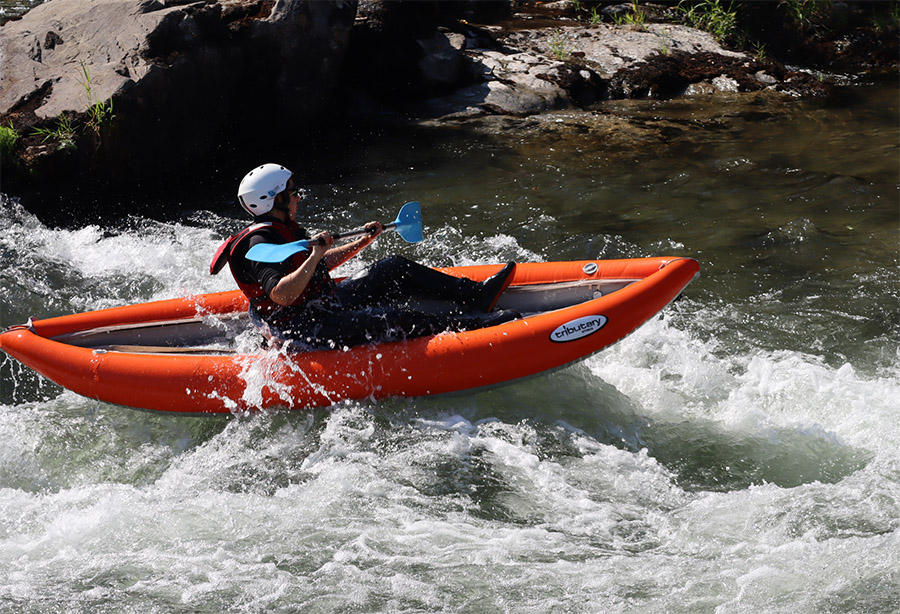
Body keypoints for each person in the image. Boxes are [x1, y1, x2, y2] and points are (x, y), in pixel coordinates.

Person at [211, 163, 517, 349]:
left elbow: (317, 266)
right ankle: (473, 327)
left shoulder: (284, 225)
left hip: (321, 305)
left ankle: (476, 295)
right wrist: (315, 254)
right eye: (292, 193)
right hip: (301, 328)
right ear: (274, 200)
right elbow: (281, 295)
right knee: (393, 320)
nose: (298, 197)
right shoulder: (259, 244)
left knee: (393, 267)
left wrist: (363, 241)